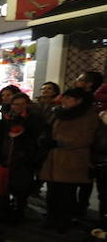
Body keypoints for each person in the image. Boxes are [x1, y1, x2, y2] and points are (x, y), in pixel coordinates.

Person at [38, 88, 100, 231]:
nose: (64, 100)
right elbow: (49, 129)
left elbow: (86, 138)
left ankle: (63, 221)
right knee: (52, 192)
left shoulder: (88, 115)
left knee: (67, 193)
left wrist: (60, 143)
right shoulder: (59, 112)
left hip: (72, 160)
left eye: (68, 98)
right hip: (55, 158)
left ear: (79, 101)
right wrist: (46, 138)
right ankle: (52, 218)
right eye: (64, 97)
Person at [0, 93, 45, 223]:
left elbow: (37, 139)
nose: (19, 107)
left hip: (24, 159)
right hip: (7, 157)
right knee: (4, 187)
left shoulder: (34, 119)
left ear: (27, 104)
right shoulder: (8, 118)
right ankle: (3, 213)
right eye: (16, 104)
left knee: (21, 189)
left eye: (22, 104)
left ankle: (18, 214)